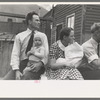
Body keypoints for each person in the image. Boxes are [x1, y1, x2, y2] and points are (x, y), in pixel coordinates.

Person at [3, 11, 49, 80]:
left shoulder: (42, 36)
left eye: (39, 20)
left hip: (36, 64)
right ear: (30, 21)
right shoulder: (19, 36)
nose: (39, 22)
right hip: (22, 64)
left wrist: (40, 63)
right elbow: (15, 54)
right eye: (37, 20)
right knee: (5, 81)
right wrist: (16, 70)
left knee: (26, 77)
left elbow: (46, 53)